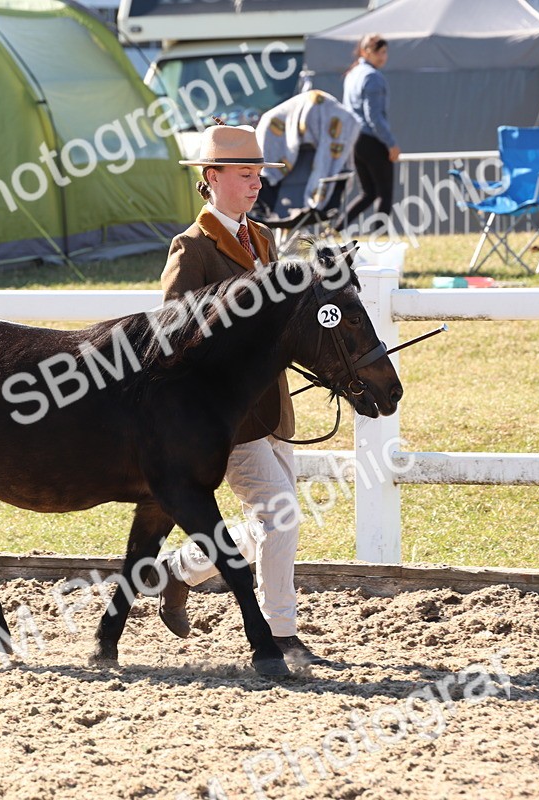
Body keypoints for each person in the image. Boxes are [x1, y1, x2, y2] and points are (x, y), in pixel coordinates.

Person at [152, 124, 329, 669]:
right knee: (281, 517)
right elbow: (170, 329)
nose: (256, 184)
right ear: (213, 178)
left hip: (274, 405)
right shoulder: (193, 247)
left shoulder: (264, 238)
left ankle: (180, 569)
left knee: (265, 523)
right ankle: (281, 634)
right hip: (227, 417)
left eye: (258, 175)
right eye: (246, 175)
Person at [341, 34, 400, 233]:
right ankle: (379, 236)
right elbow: (374, 116)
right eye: (379, 52)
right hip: (371, 139)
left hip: (354, 140)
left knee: (369, 192)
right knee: (384, 192)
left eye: (385, 52)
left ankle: (336, 228)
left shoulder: (352, 74)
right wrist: (391, 143)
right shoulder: (373, 77)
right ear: (366, 51)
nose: (384, 57)